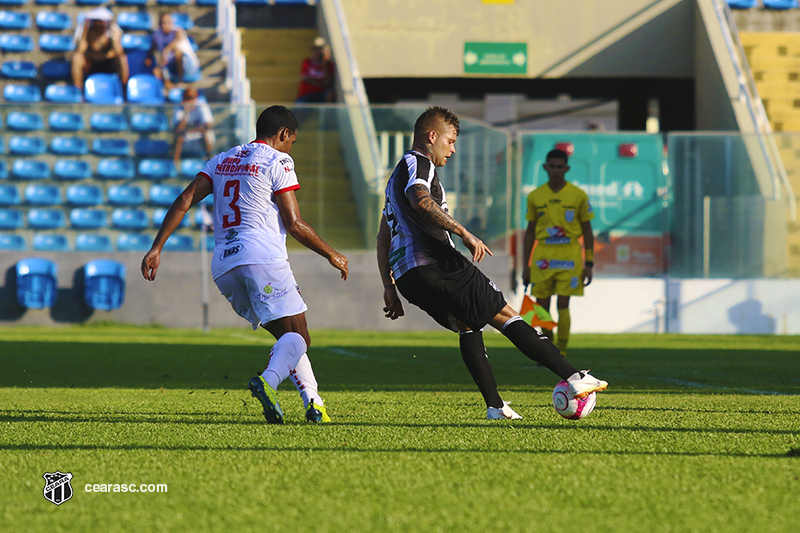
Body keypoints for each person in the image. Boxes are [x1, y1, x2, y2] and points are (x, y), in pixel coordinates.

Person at [377, 107, 607, 420]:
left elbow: (383, 236)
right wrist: (463, 232)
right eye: (451, 140)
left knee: (467, 324)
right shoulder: (417, 162)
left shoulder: (392, 182)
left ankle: (496, 407)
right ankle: (575, 377)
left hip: (407, 277)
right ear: (432, 137)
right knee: (505, 313)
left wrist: (389, 286)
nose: (453, 148)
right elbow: (420, 199)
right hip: (435, 262)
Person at [142, 105, 349, 424]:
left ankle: (314, 404)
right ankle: (267, 380)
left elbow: (184, 201)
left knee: (289, 339)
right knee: (300, 338)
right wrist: (331, 253)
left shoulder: (222, 159)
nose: (290, 147)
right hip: (262, 258)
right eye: (291, 140)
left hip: (225, 266)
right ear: (284, 134)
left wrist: (157, 248)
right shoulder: (278, 160)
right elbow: (293, 223)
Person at [522, 149, 595, 357]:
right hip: (543, 254)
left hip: (569, 254)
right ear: (545, 168)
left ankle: (561, 350)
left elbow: (588, 230)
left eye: (559, 166)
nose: (555, 170)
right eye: (551, 166)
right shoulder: (536, 196)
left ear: (567, 168)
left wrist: (589, 263)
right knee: (542, 304)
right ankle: (549, 348)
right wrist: (526, 265)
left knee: (563, 302)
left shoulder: (578, 195)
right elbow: (530, 232)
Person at [71, 7, 129, 90]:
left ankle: (124, 89)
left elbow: (119, 51)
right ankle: (78, 90)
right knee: (76, 58)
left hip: (107, 62)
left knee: (122, 58)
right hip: (90, 63)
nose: (99, 24)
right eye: (97, 21)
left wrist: (114, 37)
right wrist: (85, 32)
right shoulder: (85, 31)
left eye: (102, 21)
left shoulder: (112, 31)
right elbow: (80, 50)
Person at [152, 12, 201, 91]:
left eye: (166, 22)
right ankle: (165, 90)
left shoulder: (178, 31)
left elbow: (178, 41)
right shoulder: (157, 34)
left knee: (178, 52)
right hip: (168, 64)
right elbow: (153, 46)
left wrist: (166, 51)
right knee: (156, 70)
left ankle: (181, 81)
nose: (164, 25)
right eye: (162, 22)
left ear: (171, 22)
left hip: (187, 65)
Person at [172, 86, 215, 169]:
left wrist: (192, 130)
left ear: (196, 98)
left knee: (207, 134)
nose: (189, 100)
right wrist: (186, 113)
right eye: (186, 98)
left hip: (197, 133)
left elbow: (208, 125)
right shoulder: (179, 106)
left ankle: (210, 163)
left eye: (191, 98)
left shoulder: (201, 105)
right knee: (179, 137)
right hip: (184, 135)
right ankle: (175, 165)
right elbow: (178, 128)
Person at [295, 37, 335, 103]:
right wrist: (321, 84)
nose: (319, 52)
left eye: (322, 49)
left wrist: (324, 64)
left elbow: (328, 82)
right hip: (307, 93)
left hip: (322, 93)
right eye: (317, 49)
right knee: (300, 105)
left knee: (330, 95)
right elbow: (306, 78)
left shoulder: (329, 65)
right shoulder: (307, 62)